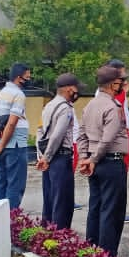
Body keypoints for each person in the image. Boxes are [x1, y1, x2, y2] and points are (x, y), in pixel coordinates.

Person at [77, 65, 129, 257]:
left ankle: (93, 255)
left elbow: (81, 134)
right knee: (112, 212)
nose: (122, 86)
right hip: (110, 162)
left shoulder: (90, 105)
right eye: (120, 82)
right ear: (113, 84)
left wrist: (86, 157)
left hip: (95, 163)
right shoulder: (112, 107)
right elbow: (108, 139)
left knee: (96, 209)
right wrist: (92, 159)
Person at [36, 73, 80, 231]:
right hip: (60, 157)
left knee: (49, 197)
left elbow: (40, 131)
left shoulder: (48, 106)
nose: (77, 92)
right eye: (76, 88)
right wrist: (47, 158)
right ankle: (59, 237)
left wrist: (41, 156)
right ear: (69, 89)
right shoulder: (65, 109)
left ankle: (46, 234)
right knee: (62, 201)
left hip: (47, 157)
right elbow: (57, 135)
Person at [0, 62, 31, 210]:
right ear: (19, 78)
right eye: (27, 77)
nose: (29, 79)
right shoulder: (18, 95)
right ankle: (10, 219)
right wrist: (1, 144)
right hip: (15, 145)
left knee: (2, 182)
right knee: (16, 184)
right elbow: (12, 123)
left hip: (1, 142)